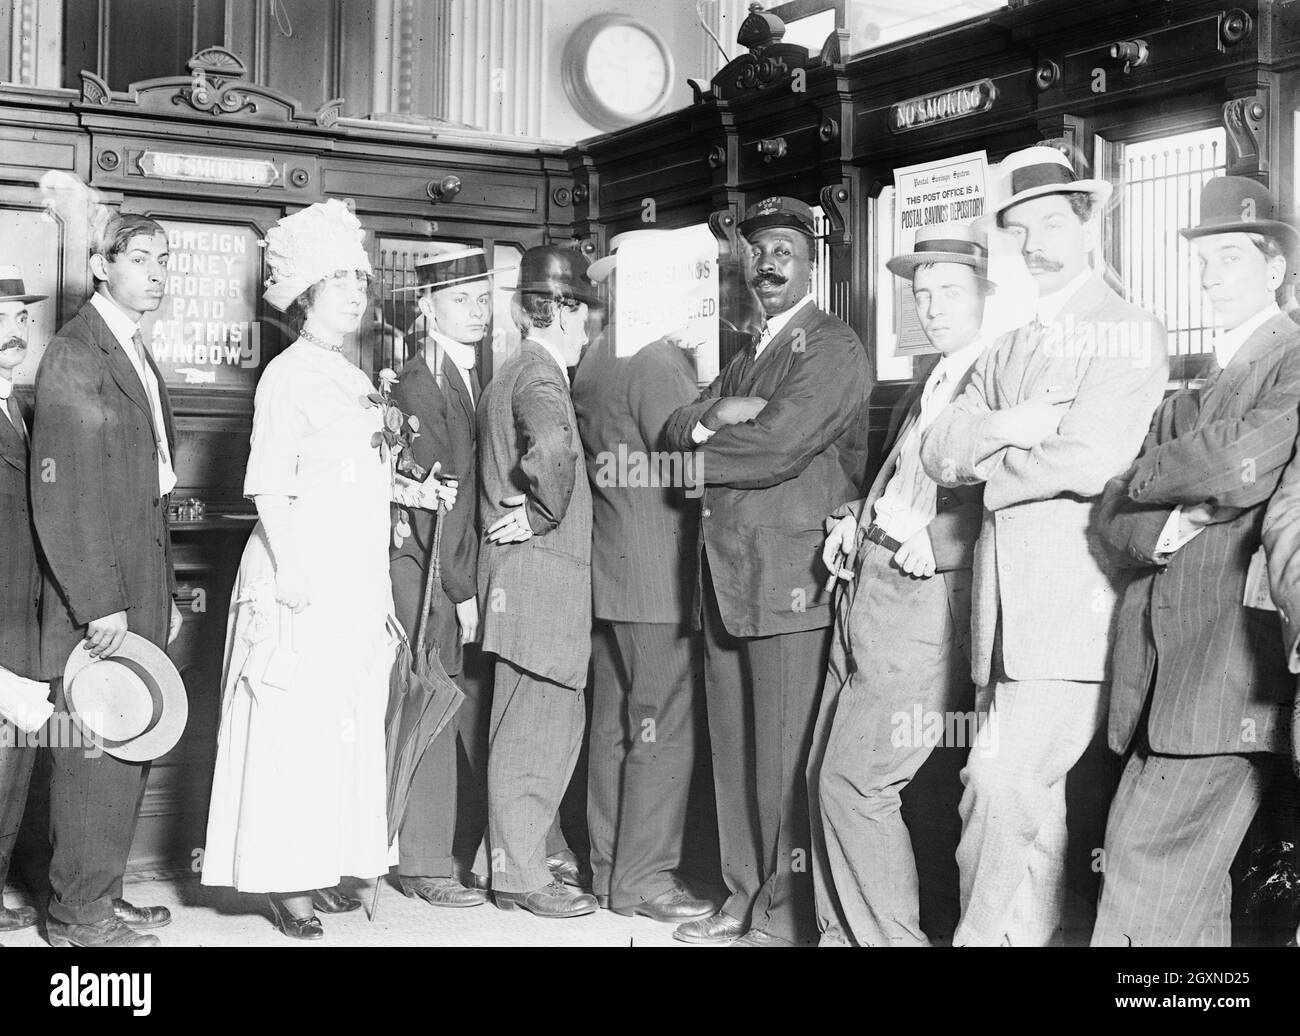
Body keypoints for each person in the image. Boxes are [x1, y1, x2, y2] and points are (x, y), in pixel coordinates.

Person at [920, 145, 1168, 946]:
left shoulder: (1126, 329)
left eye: (1053, 222)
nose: (1035, 243)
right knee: (1033, 810)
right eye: (1020, 229)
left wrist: (989, 473)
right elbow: (937, 444)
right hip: (999, 613)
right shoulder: (1011, 342)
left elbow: (1092, 457)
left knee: (995, 783)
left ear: (1090, 223)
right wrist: (1008, 428)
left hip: (1070, 611)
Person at [200, 200, 451, 939]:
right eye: (336, 281)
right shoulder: (288, 376)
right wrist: (293, 574)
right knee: (294, 731)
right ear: (307, 295)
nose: (353, 293)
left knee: (344, 729)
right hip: (301, 575)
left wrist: (414, 490)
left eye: (359, 281)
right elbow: (269, 483)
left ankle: (330, 862)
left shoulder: (353, 376)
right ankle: (288, 883)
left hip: (355, 576)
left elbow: (357, 473)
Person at [1092, 176, 1300, 946]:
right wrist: (1170, 523)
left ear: (1275, 269)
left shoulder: (1291, 357)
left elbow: (1241, 458)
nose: (1209, 275)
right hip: (1164, 678)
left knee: (1143, 878)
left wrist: (1148, 475)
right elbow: (1111, 516)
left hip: (1230, 678)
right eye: (1202, 260)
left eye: (1230, 259)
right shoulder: (1191, 388)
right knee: (1180, 896)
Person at [663, 197, 872, 946]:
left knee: (782, 754)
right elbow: (672, 421)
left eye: (783, 246)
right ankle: (742, 893)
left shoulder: (833, 346)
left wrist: (710, 429)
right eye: (756, 250)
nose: (767, 261)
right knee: (734, 750)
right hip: (725, 578)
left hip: (787, 581)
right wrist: (723, 409)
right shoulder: (751, 350)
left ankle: (781, 917)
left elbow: (779, 446)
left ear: (812, 259)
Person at [810, 223, 990, 947]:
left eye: (951, 292)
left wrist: (936, 542)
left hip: (923, 602)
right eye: (924, 295)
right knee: (825, 775)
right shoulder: (934, 377)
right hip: (867, 583)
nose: (935, 307)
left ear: (985, 297)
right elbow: (904, 483)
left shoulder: (998, 375)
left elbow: (1016, 495)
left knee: (855, 784)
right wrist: (855, 519)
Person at [31, 214, 182, 948]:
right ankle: (76, 915)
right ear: (99, 266)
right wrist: (99, 603)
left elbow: (145, 489)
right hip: (97, 597)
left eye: (164, 260)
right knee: (92, 750)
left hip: (138, 583)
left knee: (129, 738)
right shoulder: (74, 352)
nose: (155, 272)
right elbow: (62, 492)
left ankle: (104, 891)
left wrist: (160, 591)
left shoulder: (133, 352)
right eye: (139, 259)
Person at [572, 231, 714, 923]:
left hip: (609, 566)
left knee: (614, 726)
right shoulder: (658, 360)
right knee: (662, 726)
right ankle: (646, 881)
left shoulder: (599, 354)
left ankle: (606, 871)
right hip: (659, 570)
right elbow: (691, 462)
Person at [476, 245, 598, 918]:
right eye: (586, 314)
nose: (590, 330)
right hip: (541, 582)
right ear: (564, 311)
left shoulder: (514, 370)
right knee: (538, 730)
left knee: (520, 723)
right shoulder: (542, 377)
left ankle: (502, 859)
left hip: (519, 583)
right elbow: (550, 449)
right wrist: (545, 510)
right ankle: (521, 877)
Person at [389, 246, 492, 909]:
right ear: (425, 307)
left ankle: (452, 849)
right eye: (460, 299)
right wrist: (464, 592)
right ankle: (422, 861)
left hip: (454, 567)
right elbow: (440, 502)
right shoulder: (419, 384)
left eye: (483, 298)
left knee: (457, 704)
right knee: (430, 703)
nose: (477, 310)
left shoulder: (470, 375)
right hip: (429, 573)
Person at [0, 267, 48, 940]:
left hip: (24, 613)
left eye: (18, 321)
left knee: (15, 758)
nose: (13, 334)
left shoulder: (21, 406)